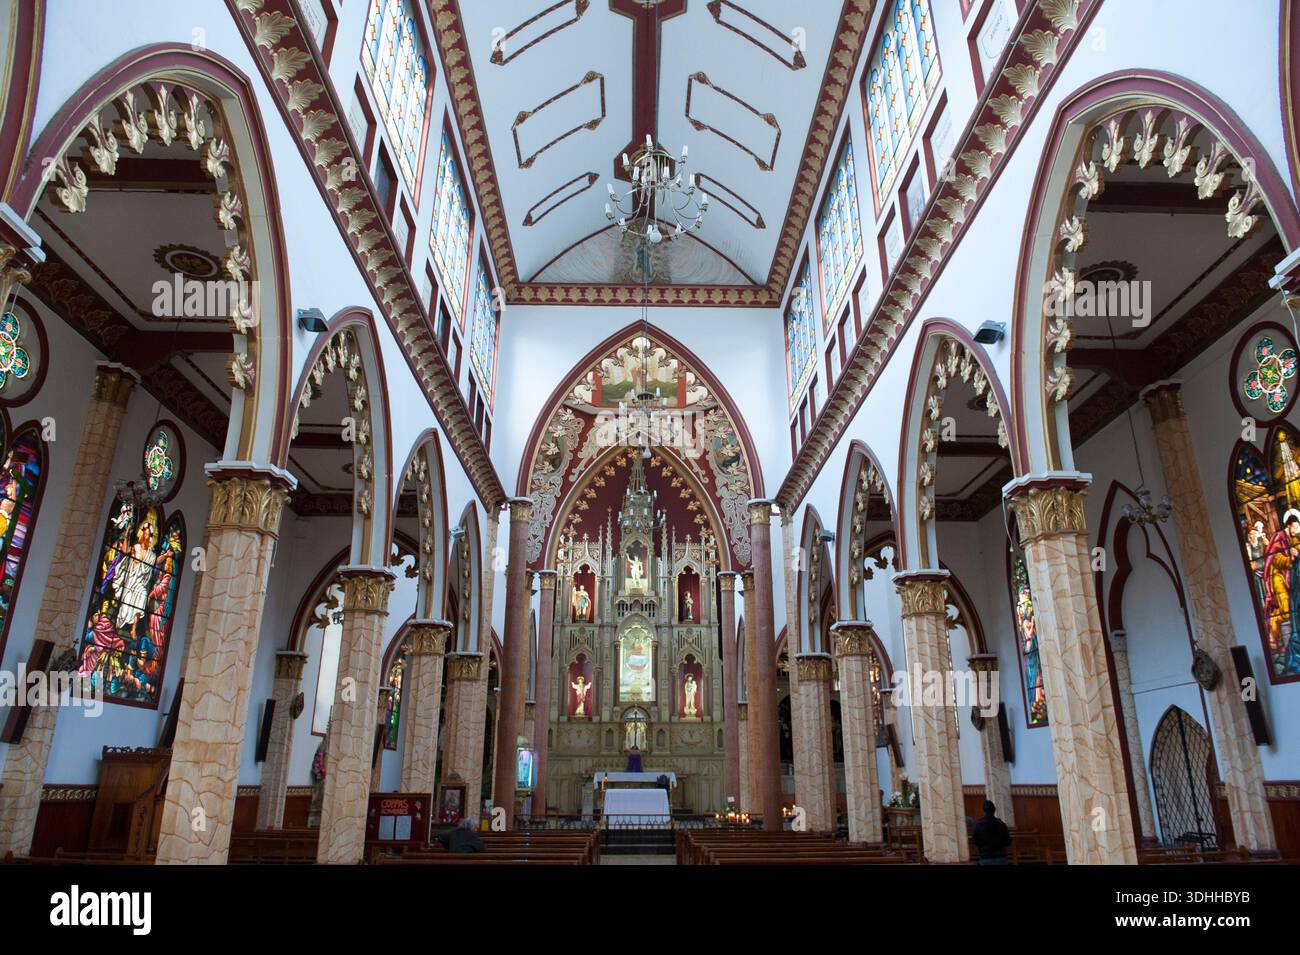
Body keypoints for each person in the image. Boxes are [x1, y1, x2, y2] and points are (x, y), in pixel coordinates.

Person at [971, 800, 1011, 864]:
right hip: (1000, 857)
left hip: (985, 857)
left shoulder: (977, 825)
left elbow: (975, 842)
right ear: (994, 810)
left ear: (983, 810)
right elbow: (1008, 842)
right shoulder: (1001, 824)